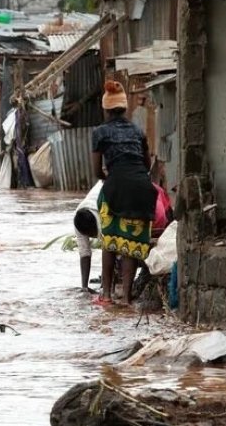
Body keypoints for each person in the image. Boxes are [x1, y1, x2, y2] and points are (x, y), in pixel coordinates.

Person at [90, 81, 157, 306]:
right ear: (124, 107)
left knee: (110, 243)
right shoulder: (138, 131)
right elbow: (147, 165)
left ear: (106, 109)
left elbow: (97, 171)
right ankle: (127, 299)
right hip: (142, 189)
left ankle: (107, 296)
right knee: (131, 245)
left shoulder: (100, 132)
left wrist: (111, 177)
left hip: (115, 188)